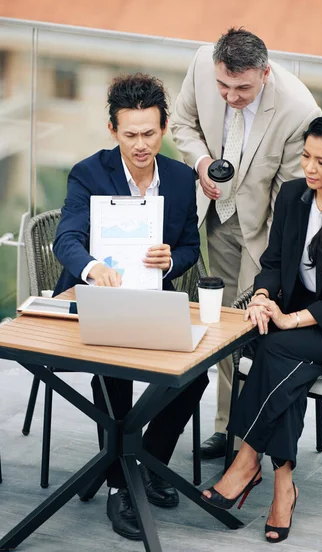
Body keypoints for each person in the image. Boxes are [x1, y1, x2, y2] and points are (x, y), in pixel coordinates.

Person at [200, 113, 322, 543]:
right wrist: (265, 298)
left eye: (321, 162)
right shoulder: (291, 197)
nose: (309, 168)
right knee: (284, 370)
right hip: (298, 326)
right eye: (306, 156)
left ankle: (246, 462)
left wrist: (290, 319)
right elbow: (272, 265)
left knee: (274, 350)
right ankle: (283, 486)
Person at [53, 74, 209, 541]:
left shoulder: (181, 179)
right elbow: (67, 238)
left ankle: (148, 461)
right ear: (112, 130)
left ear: (163, 128)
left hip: (150, 296)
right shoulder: (89, 172)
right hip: (93, 298)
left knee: (195, 370)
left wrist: (171, 260)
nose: (140, 145)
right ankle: (121, 485)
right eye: (130, 134)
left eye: (149, 133)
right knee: (114, 369)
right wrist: (92, 267)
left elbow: (190, 246)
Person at [171, 28, 321, 459]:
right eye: (223, 86)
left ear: (265, 73)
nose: (231, 96)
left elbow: (288, 200)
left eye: (242, 88)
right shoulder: (202, 62)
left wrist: (268, 268)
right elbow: (183, 124)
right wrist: (202, 163)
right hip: (215, 216)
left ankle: (248, 438)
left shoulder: (298, 110)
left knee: (250, 326)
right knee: (222, 325)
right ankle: (225, 428)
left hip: (265, 227)